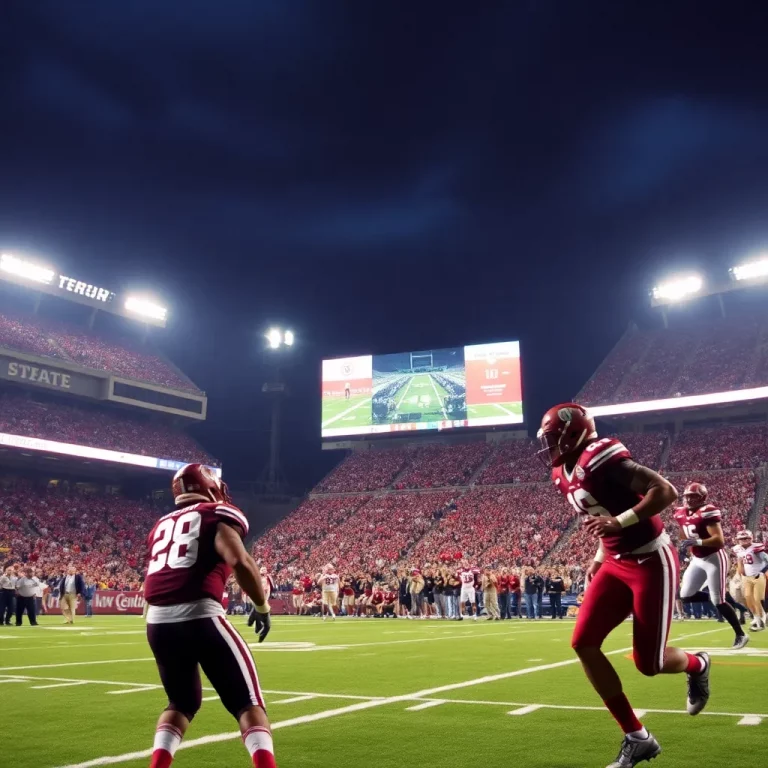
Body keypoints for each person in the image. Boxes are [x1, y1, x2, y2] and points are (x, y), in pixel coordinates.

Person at [538, 403, 710, 768]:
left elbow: (665, 491)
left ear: (574, 432)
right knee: (583, 643)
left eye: (554, 437)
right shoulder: (562, 473)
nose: (550, 445)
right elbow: (602, 512)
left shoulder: (601, 457)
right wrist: (601, 554)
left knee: (648, 663)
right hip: (615, 564)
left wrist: (621, 521)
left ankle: (697, 664)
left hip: (650, 561)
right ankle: (637, 736)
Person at [143, 463, 275, 768]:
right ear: (209, 487)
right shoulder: (214, 514)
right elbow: (240, 561)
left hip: (158, 624)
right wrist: (261, 605)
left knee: (181, 703)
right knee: (249, 704)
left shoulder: (160, 524)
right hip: (200, 616)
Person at [673, 482, 748, 648]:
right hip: (697, 559)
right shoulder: (679, 512)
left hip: (714, 557)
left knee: (718, 599)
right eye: (687, 496)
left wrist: (697, 541)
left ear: (702, 497)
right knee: (685, 595)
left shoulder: (708, 511)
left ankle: (740, 634)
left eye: (693, 496)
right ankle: (725, 601)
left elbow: (719, 540)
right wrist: (685, 544)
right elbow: (682, 532)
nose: (690, 499)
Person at [733, 530, 768, 631]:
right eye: (741, 539)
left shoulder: (757, 548)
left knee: (758, 599)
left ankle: (761, 621)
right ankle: (756, 617)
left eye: (745, 538)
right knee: (748, 598)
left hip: (758, 576)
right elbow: (740, 560)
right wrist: (739, 573)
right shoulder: (737, 549)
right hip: (746, 577)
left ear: (750, 538)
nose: (743, 541)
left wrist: (762, 571)